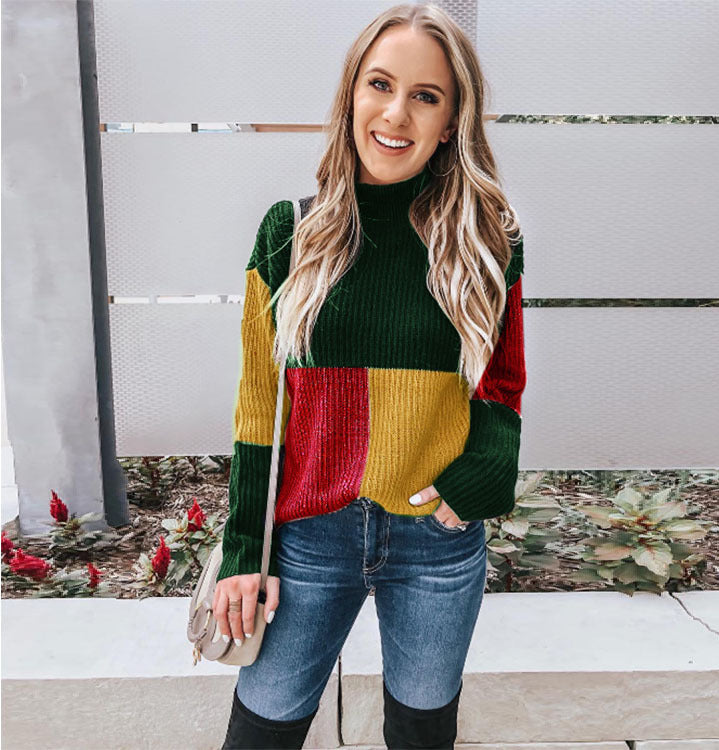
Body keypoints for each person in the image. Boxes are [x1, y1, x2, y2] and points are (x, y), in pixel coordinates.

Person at [214, 3, 526, 748]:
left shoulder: (487, 240)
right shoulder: (289, 234)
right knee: (261, 730)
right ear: (351, 94)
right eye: (380, 85)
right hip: (307, 538)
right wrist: (242, 553)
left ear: (451, 122)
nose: (396, 114)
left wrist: (485, 470)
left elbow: (501, 382)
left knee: (421, 733)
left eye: (426, 96)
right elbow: (258, 407)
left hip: (435, 541)